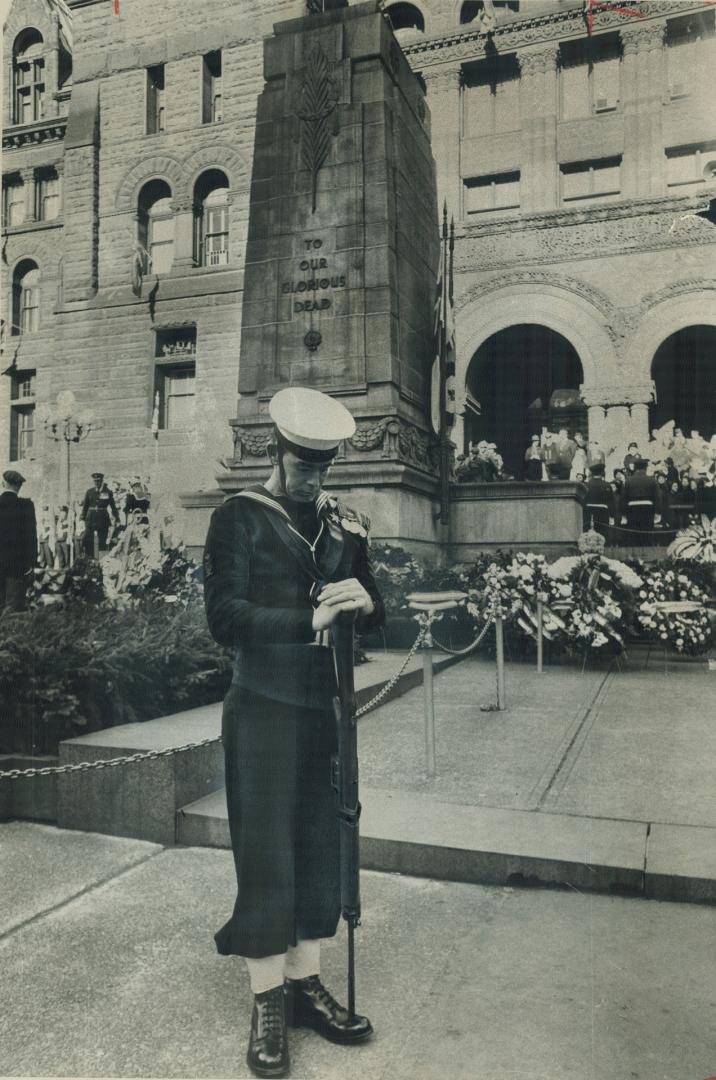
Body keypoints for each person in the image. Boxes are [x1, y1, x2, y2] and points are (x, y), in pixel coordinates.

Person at [203, 387, 384, 1079]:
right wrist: (303, 621)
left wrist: (367, 602)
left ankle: (306, 983)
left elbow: (375, 607)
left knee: (318, 845)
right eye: (302, 463)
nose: (312, 476)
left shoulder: (345, 526)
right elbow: (225, 619)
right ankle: (268, 999)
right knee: (267, 850)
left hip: (324, 709)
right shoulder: (239, 519)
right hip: (263, 704)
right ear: (278, 453)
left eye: (323, 465)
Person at [0, 469, 37, 612]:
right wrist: (31, 564)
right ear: (19, 486)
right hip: (17, 566)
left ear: (3, 483)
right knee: (13, 610)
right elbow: (31, 538)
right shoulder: (26, 505)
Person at [81, 472, 118, 556]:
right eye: (95, 482)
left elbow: (113, 506)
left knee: (102, 539)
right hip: (91, 519)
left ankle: (101, 559)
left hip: (103, 519)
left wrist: (116, 517)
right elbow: (85, 507)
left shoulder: (108, 492)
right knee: (88, 539)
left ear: (102, 481)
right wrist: (82, 518)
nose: (97, 483)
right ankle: (89, 558)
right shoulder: (89, 492)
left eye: (98, 481)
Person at [622, 457, 658, 536]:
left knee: (634, 532)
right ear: (645, 468)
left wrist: (624, 513)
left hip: (632, 509)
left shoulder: (629, 480)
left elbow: (624, 498)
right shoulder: (652, 480)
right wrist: (657, 512)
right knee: (646, 532)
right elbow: (657, 497)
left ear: (635, 468)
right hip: (648, 508)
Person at [583, 462, 615, 539]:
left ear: (592, 473)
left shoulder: (586, 485)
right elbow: (611, 501)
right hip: (603, 512)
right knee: (603, 533)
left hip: (589, 511)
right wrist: (612, 515)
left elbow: (583, 500)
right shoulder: (606, 485)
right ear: (602, 472)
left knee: (588, 532)